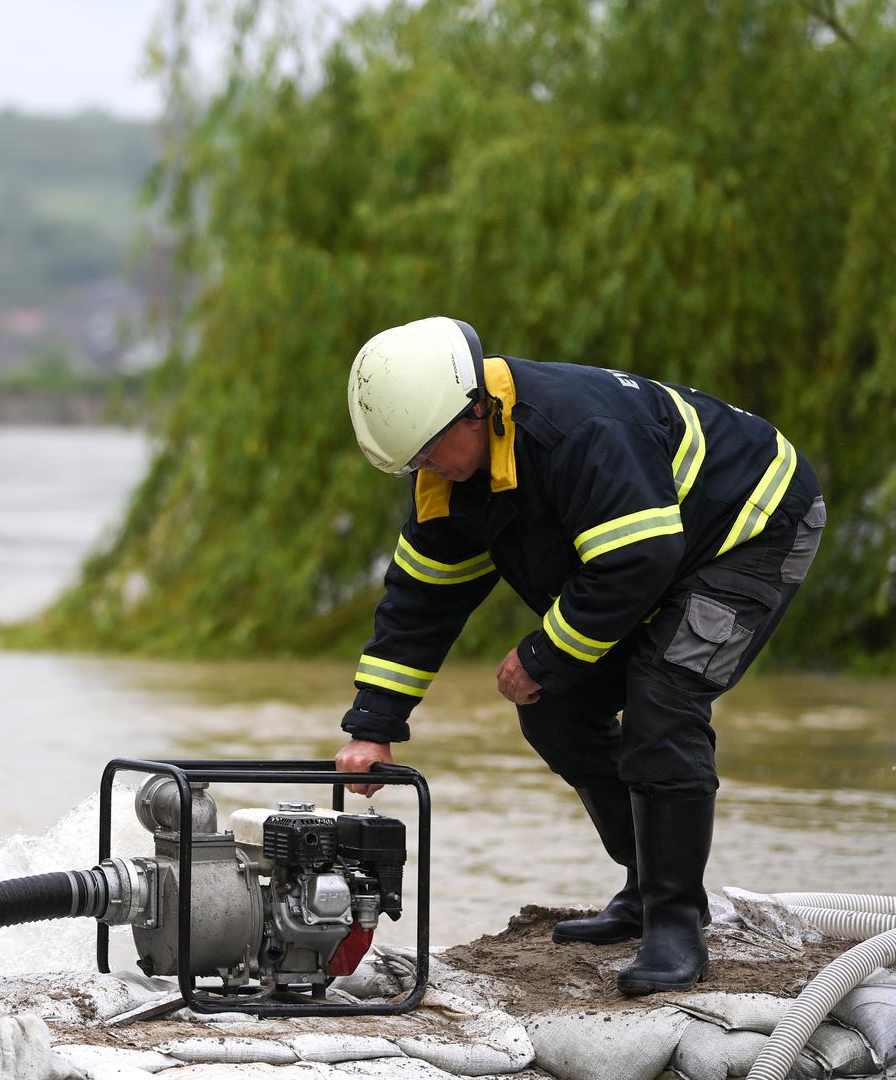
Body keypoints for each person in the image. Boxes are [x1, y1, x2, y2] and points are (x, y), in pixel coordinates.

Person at [334, 316, 826, 995]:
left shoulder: (577, 430)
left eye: (427, 451)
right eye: (410, 462)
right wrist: (373, 726)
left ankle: (677, 926)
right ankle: (645, 886)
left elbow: (638, 560)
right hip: (652, 552)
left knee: (664, 700)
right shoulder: (451, 478)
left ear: (475, 410)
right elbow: (421, 601)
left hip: (752, 525)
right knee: (556, 709)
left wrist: (540, 653)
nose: (425, 469)